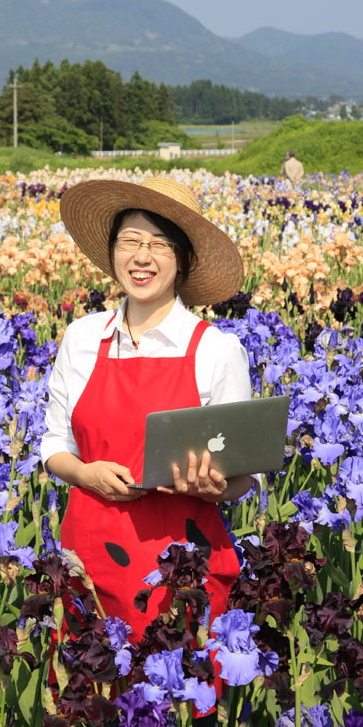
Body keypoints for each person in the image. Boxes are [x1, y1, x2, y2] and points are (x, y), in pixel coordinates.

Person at [41, 177, 256, 655]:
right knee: (97, 712)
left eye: (159, 244)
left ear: (181, 259)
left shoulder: (216, 350)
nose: (142, 257)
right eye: (131, 241)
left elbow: (245, 473)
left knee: (186, 714)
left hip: (182, 568)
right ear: (113, 251)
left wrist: (216, 486)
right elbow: (54, 445)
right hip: (91, 559)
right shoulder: (80, 337)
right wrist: (85, 473)